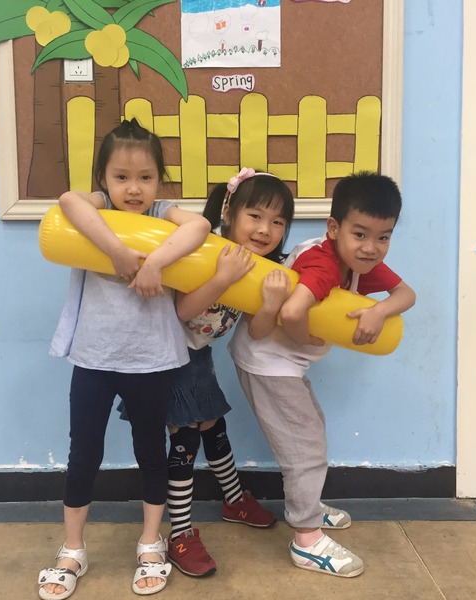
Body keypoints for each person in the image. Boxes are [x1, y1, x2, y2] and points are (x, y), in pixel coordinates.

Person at [39, 119, 211, 599]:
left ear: (159, 181)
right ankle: (73, 548)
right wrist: (116, 251)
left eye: (145, 177)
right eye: (121, 177)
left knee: (150, 451)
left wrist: (154, 262)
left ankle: (151, 543)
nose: (134, 189)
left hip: (150, 360)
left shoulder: (161, 214)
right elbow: (68, 200)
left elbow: (199, 226)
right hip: (94, 358)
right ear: (104, 179)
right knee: (83, 453)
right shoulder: (95, 207)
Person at [228, 171, 416, 578]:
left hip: (283, 363)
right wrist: (310, 340)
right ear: (334, 228)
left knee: (313, 428)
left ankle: (308, 505)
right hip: (267, 361)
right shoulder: (323, 263)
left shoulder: (356, 259)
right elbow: (292, 311)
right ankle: (307, 539)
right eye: (360, 234)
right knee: (304, 447)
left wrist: (380, 310)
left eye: (383, 237)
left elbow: (407, 294)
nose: (371, 247)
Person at [118, 168, 295, 577]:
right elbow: (182, 310)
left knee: (213, 426)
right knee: (185, 438)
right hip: (164, 353)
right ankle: (180, 533)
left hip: (197, 354)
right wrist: (223, 277)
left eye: (277, 222)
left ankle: (234, 499)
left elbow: (258, 330)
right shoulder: (207, 249)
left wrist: (270, 305)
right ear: (229, 212)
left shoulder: (259, 266)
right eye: (255, 216)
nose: (265, 229)